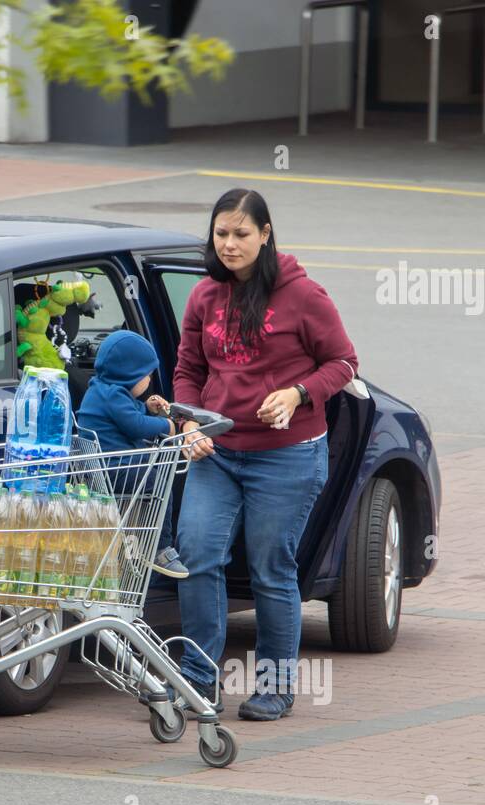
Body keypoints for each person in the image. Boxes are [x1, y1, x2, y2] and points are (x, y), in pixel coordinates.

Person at [172, 188, 358, 721]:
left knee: (271, 570)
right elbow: (189, 370)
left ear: (266, 235)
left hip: (287, 455)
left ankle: (275, 687)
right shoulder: (205, 295)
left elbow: (344, 363)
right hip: (218, 452)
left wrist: (299, 393)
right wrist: (187, 421)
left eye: (241, 234)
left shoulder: (304, 296)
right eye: (221, 233)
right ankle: (198, 679)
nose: (229, 244)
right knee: (197, 554)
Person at [75, 330, 188, 579]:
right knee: (158, 478)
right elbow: (134, 426)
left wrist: (145, 407)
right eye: (146, 374)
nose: (149, 379)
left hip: (103, 470)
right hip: (115, 468)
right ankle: (159, 548)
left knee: (151, 469)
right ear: (129, 375)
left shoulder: (101, 389)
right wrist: (166, 426)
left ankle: (141, 543)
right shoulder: (114, 395)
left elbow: (124, 414)